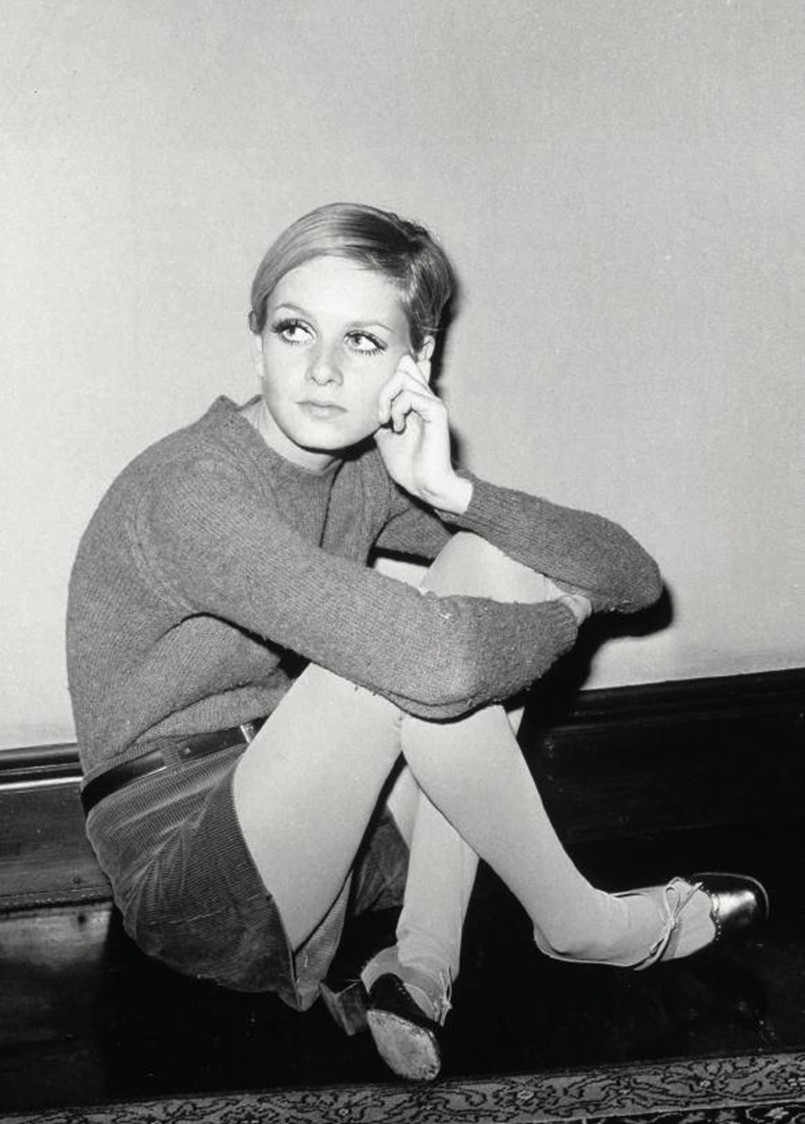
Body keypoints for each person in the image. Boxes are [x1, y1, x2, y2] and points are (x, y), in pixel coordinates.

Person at [66, 202, 767, 1083]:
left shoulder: (362, 471)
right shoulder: (193, 491)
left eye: (361, 341)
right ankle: (580, 922)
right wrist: (566, 617)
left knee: (489, 560)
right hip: (188, 870)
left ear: (416, 361)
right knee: (394, 659)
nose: (321, 370)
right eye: (294, 330)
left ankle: (420, 967)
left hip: (332, 830)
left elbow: (631, 576)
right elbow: (438, 665)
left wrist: (452, 490)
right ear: (257, 343)